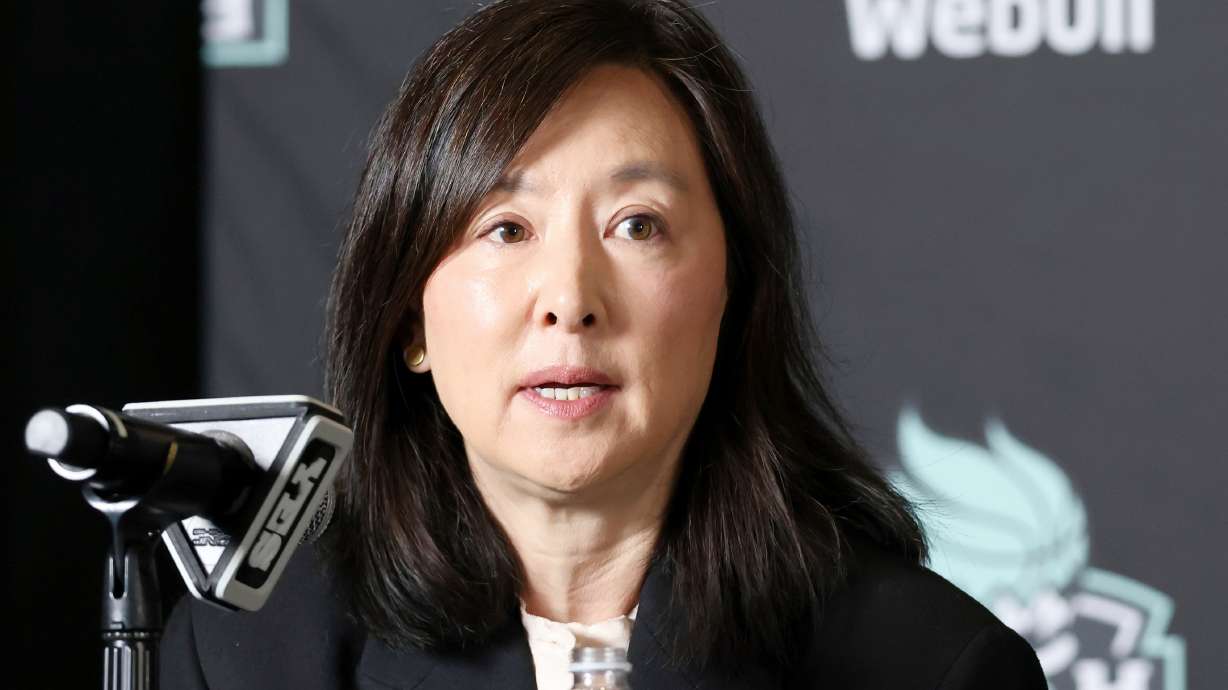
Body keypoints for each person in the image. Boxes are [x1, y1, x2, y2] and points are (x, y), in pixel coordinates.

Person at [161, 0, 1047, 688]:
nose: (570, 301)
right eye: (505, 229)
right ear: (408, 320)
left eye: (637, 224)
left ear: (733, 295)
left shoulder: (929, 668)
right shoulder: (251, 655)